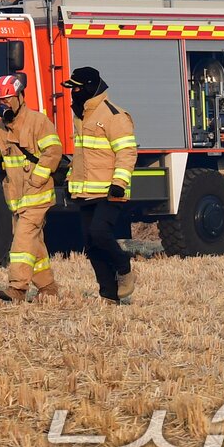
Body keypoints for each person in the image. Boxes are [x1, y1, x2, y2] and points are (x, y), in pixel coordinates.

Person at [0, 74, 63, 303]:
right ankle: (48, 287)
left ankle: (17, 288)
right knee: (33, 243)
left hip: (37, 194)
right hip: (16, 197)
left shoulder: (38, 122)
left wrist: (37, 178)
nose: (2, 105)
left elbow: (53, 151)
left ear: (19, 97)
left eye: (7, 99)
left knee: (22, 241)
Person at [63, 67, 138, 302]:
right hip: (86, 191)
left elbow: (127, 152)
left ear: (89, 87)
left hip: (110, 191)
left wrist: (119, 182)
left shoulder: (114, 115)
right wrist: (69, 180)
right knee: (91, 244)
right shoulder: (81, 115)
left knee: (100, 232)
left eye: (76, 88)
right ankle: (109, 295)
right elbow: (81, 155)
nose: (73, 92)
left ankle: (124, 267)